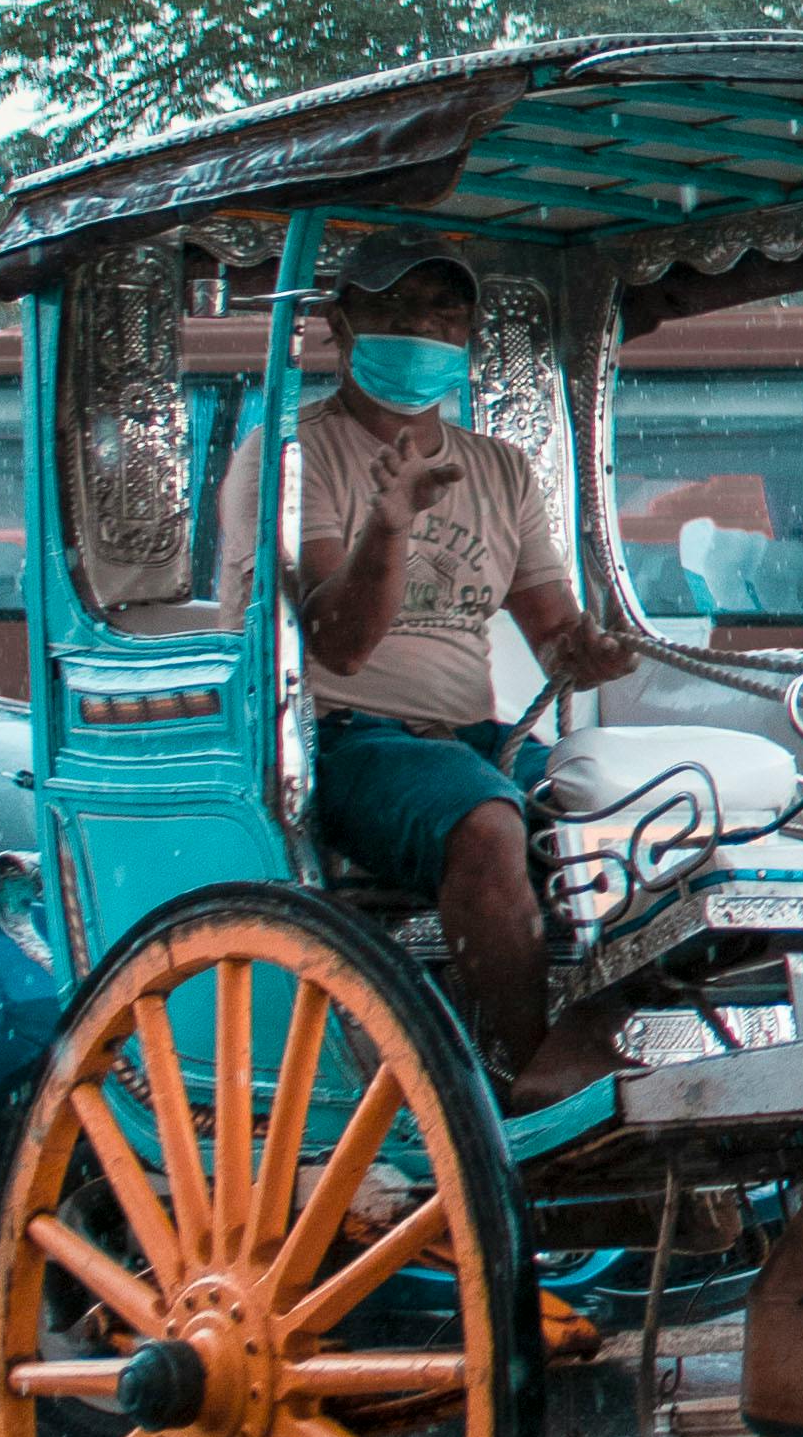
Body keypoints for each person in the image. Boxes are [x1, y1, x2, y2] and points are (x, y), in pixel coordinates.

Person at [228, 247, 639, 1079]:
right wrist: (388, 525)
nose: (421, 326)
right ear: (342, 325)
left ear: (471, 333)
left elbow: (554, 634)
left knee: (647, 819)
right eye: (396, 304)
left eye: (444, 311)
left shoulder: (499, 468)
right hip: (340, 744)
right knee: (487, 823)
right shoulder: (290, 456)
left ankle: (607, 1039)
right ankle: (527, 1076)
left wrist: (590, 652)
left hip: (469, 743)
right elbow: (337, 641)